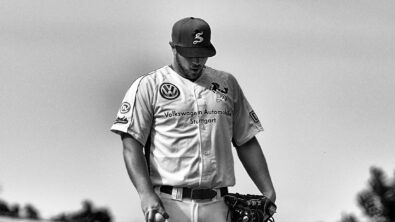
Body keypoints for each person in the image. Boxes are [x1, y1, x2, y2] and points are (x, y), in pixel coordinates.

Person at [111, 17, 276, 222]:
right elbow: (131, 143)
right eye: (191, 54)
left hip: (218, 204)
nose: (197, 61)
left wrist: (268, 191)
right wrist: (145, 194)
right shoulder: (149, 85)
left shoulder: (226, 83)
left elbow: (246, 140)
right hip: (168, 204)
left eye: (203, 54)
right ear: (174, 48)